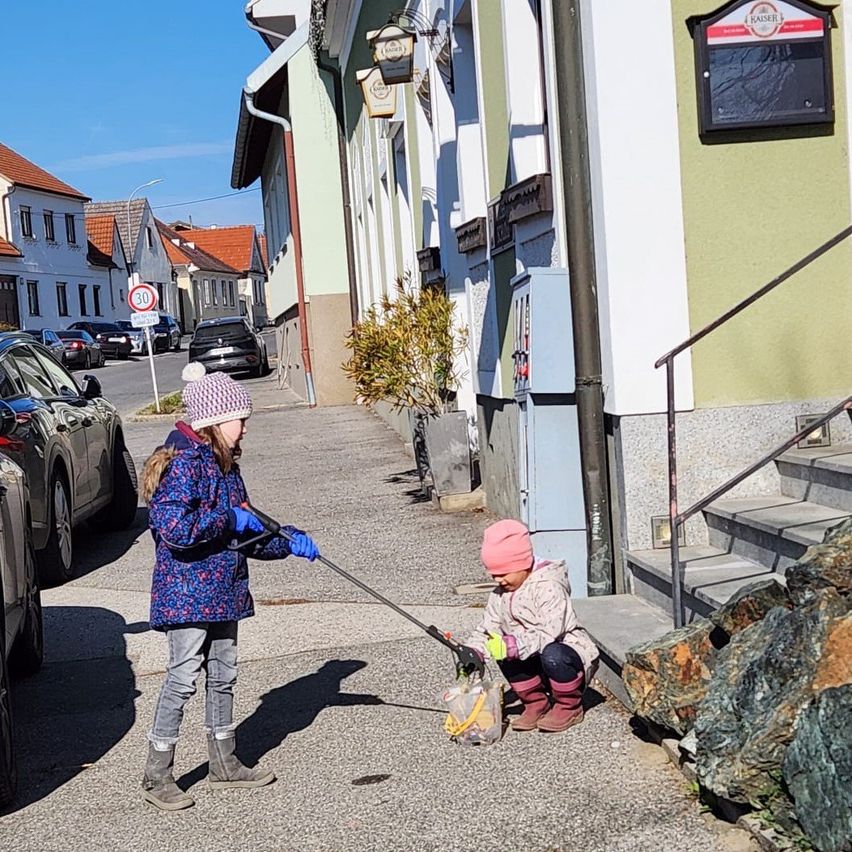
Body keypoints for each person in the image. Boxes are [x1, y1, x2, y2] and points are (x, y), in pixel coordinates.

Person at [139, 362, 319, 811]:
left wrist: (286, 541)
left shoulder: (225, 467)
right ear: (214, 422)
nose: (245, 428)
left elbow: (245, 533)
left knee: (223, 676)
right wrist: (228, 518)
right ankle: (156, 774)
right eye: (240, 419)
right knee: (183, 677)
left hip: (224, 590)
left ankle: (224, 763)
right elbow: (176, 530)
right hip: (187, 595)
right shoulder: (182, 466)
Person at [463, 519, 599, 733]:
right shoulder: (500, 595)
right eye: (494, 574)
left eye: (503, 573)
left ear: (523, 564)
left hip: (565, 653)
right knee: (499, 647)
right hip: (530, 654)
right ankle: (535, 702)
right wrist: (474, 651)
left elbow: (550, 631)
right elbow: (488, 628)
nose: (498, 580)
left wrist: (515, 645)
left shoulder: (549, 587)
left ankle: (569, 705)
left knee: (553, 654)